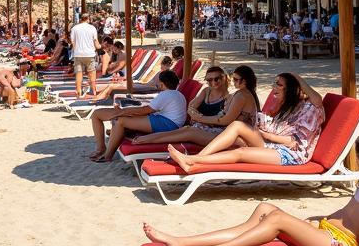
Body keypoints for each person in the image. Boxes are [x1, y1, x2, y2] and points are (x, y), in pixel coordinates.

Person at [144, 134, 359, 246]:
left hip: (334, 243)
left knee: (277, 220)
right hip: (324, 230)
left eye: (357, 156)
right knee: (265, 208)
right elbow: (353, 214)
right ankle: (182, 241)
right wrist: (320, 220)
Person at [170, 71, 324, 172]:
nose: (273, 87)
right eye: (274, 83)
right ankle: (196, 161)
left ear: (290, 89)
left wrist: (296, 77)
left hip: (292, 153)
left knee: (240, 152)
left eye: (279, 84)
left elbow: (293, 142)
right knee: (237, 128)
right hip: (274, 144)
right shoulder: (290, 106)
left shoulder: (309, 108)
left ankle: (194, 162)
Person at [131, 65, 259, 147]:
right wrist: (198, 117)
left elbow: (225, 120)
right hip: (218, 130)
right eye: (209, 80)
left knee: (189, 132)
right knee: (186, 130)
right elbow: (191, 107)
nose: (213, 82)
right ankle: (145, 139)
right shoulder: (209, 92)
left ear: (224, 78)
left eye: (217, 79)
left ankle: (146, 140)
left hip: (230, 136)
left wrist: (199, 118)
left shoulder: (237, 96)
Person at [89, 70, 186, 162]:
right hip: (167, 122)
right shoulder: (178, 94)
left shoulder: (166, 94)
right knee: (121, 119)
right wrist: (125, 112)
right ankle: (106, 150)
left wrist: (123, 112)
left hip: (167, 125)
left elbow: (144, 111)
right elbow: (148, 110)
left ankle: (107, 155)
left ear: (161, 84)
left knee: (120, 121)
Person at [83, 55, 174, 103]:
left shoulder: (163, 74)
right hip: (145, 86)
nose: (160, 66)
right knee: (116, 85)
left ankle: (99, 97)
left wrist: (140, 84)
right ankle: (99, 95)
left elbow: (156, 86)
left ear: (165, 65)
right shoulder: (163, 73)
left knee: (112, 86)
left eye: (162, 64)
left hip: (148, 88)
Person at [69, 14, 101, 98]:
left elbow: (73, 42)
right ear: (88, 19)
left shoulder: (74, 28)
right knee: (91, 73)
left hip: (78, 54)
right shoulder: (92, 28)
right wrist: (100, 47)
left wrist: (76, 50)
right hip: (90, 54)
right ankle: (94, 91)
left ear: (81, 19)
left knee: (79, 73)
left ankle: (78, 91)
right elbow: (95, 41)